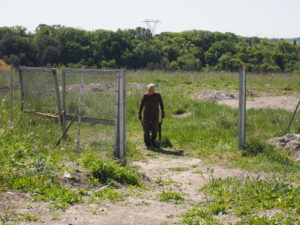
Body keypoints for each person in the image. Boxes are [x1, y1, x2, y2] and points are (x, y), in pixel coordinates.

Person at [138, 84, 165, 149]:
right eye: (149, 90)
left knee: (155, 129)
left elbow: (161, 104)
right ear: (148, 90)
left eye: (152, 90)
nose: (150, 91)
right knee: (146, 129)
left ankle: (153, 141)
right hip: (146, 115)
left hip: (155, 115)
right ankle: (147, 143)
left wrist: (163, 112)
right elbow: (141, 105)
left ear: (154, 90)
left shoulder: (158, 95)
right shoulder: (145, 96)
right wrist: (139, 113)